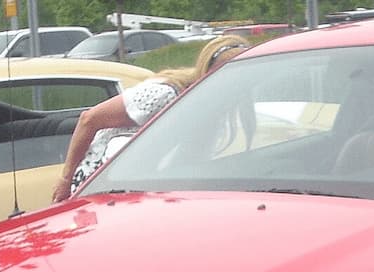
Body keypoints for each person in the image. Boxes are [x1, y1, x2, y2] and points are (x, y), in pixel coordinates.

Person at [51, 35, 250, 202]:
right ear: (208, 72)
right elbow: (89, 119)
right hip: (99, 183)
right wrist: (65, 179)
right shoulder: (167, 95)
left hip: (143, 192)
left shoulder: (212, 111)